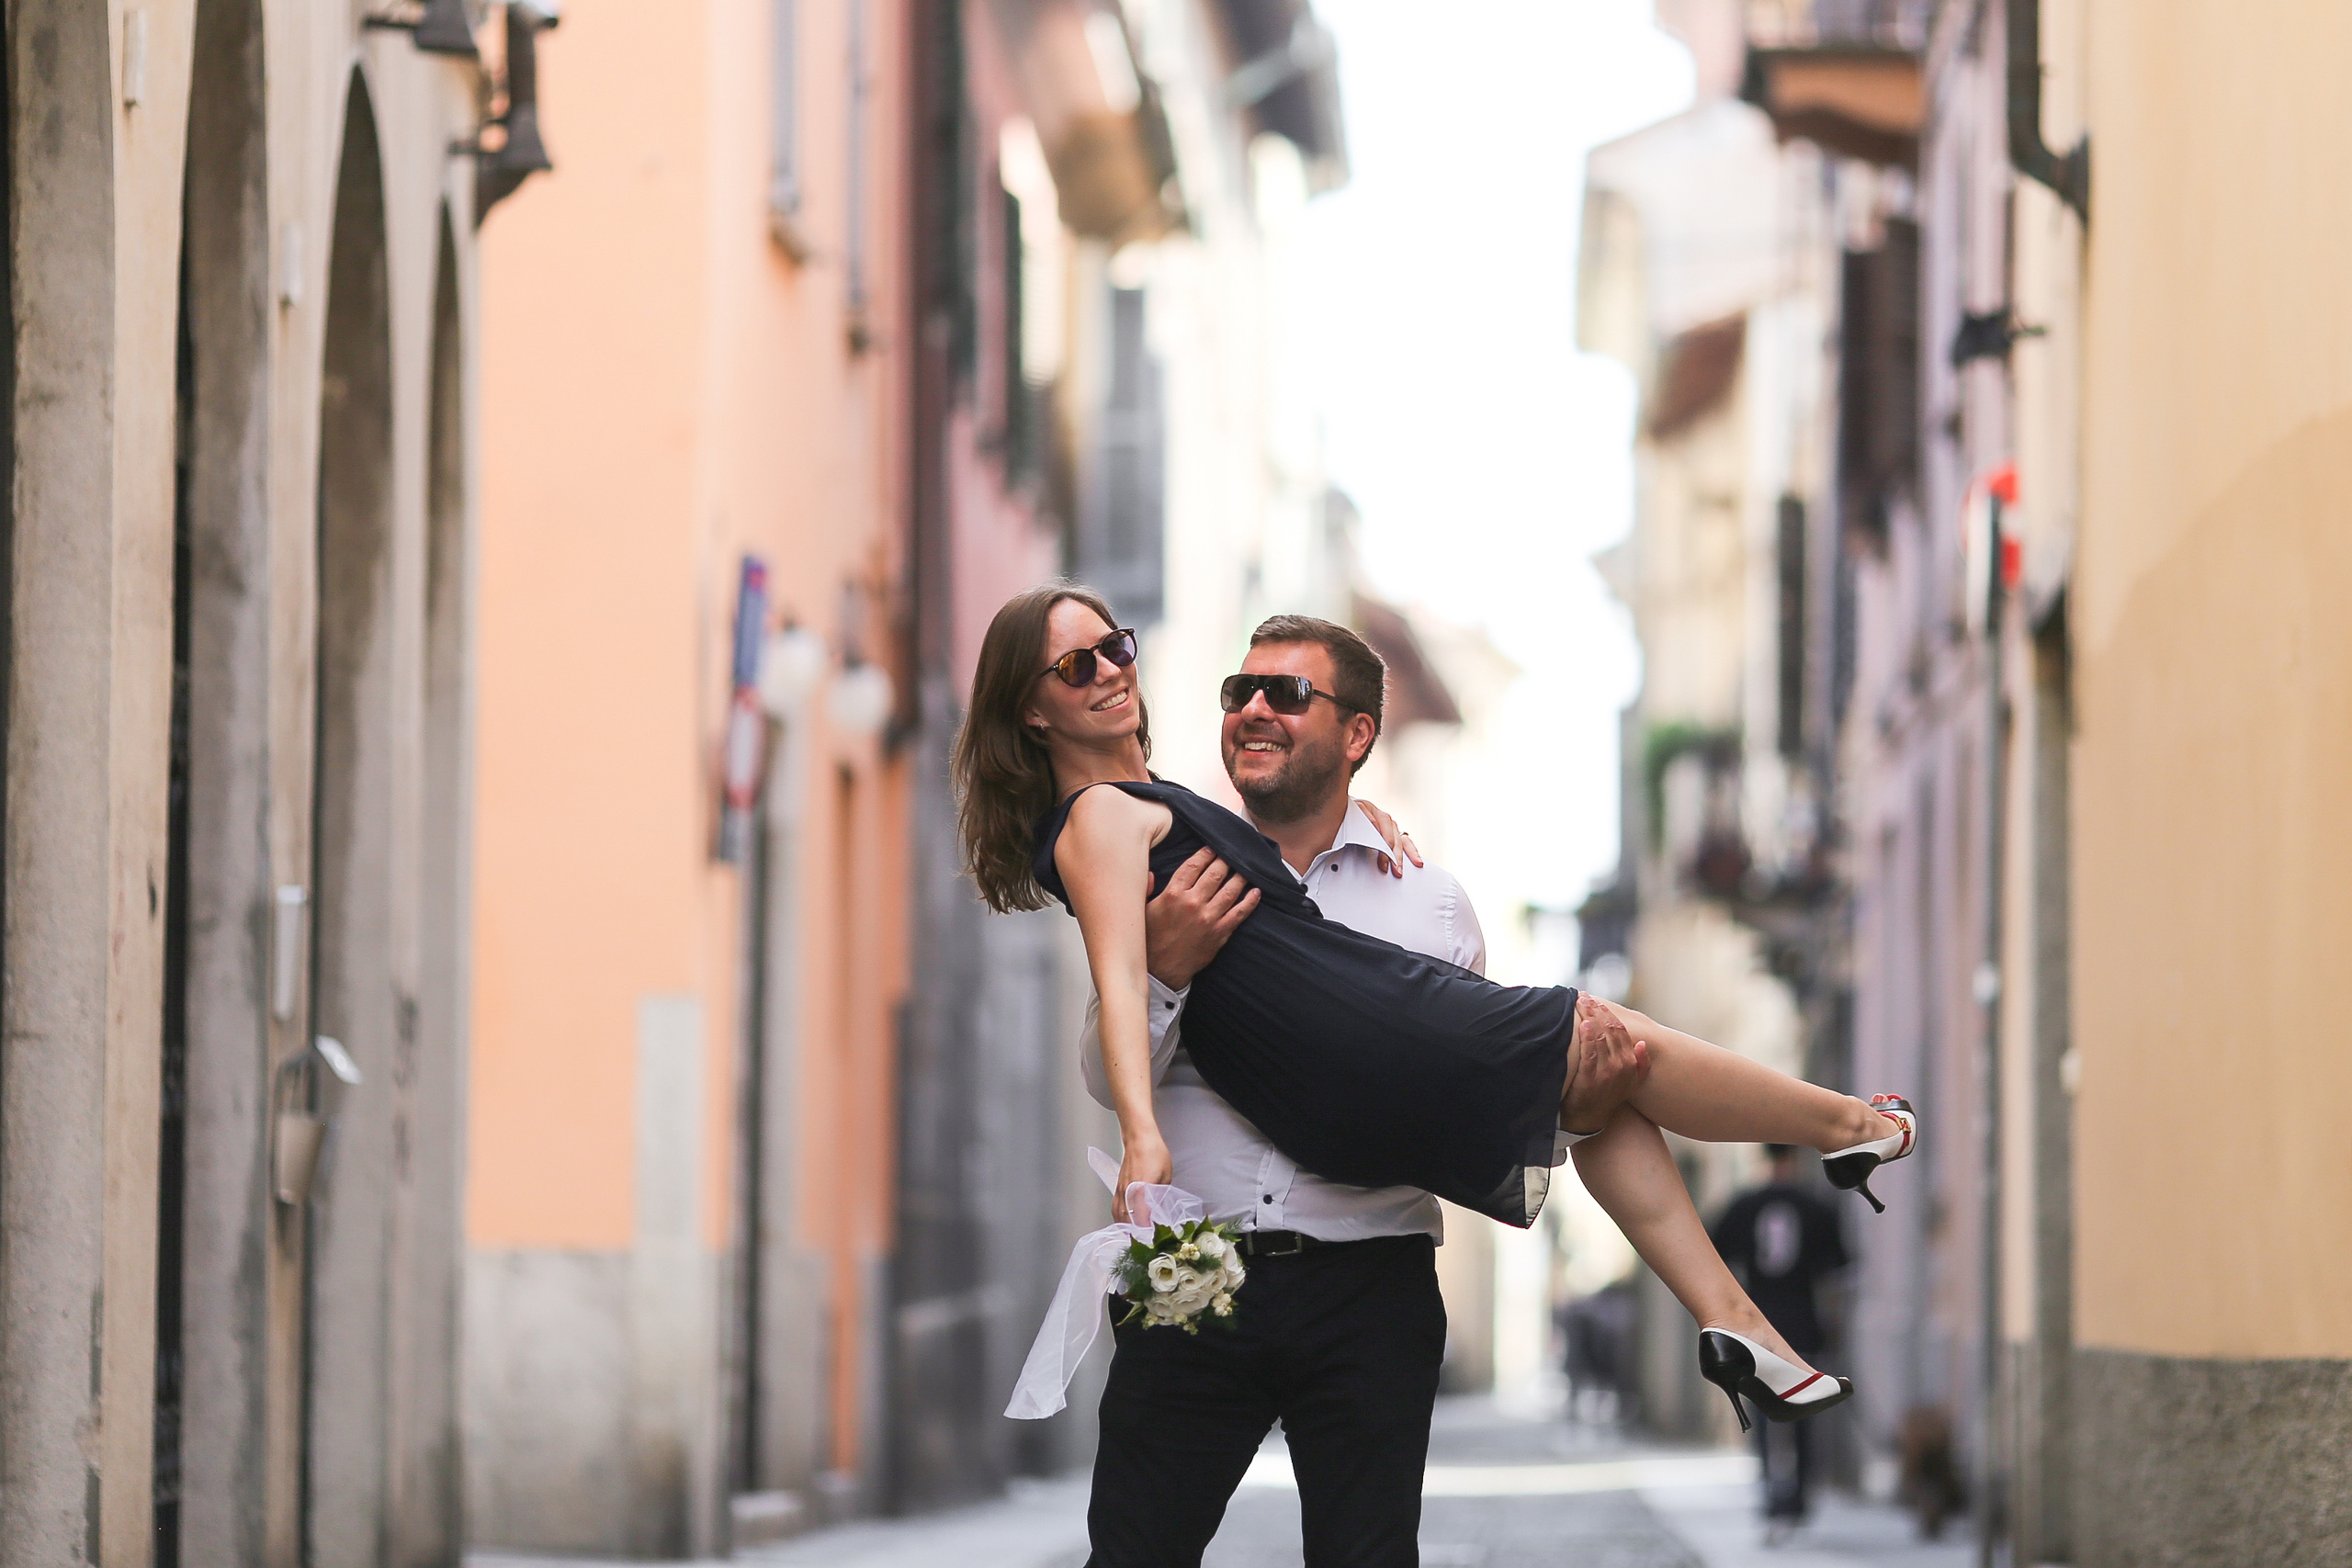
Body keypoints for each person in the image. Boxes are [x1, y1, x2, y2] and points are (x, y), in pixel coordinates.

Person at [952, 588, 1918, 1476]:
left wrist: (1349, 806)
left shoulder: (1166, 802)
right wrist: (1142, 1136)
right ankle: (1849, 1131)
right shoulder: (1096, 820)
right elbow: (1120, 986)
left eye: (1113, 647)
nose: (1113, 668)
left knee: (1598, 1080)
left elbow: (1248, 853)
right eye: (1075, 665)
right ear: (1031, 710)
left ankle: (1733, 1320)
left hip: (1347, 1050)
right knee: (1616, 1040)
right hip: (1349, 1041)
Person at [1064, 613, 1656, 1567]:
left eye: (1286, 695)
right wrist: (1164, 967)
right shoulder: (1172, 864)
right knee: (1133, 1552)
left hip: (1367, 1273)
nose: (1253, 710)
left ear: (1356, 737)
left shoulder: (1426, 899)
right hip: (1188, 1261)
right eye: (1237, 694)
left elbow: (1448, 1088)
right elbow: (1103, 1073)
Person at [1712, 1145, 1852, 1542]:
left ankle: (1770, 1492)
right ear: (1795, 1159)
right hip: (1804, 1328)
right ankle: (1799, 1496)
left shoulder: (1743, 1206)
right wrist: (1833, 1325)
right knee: (1803, 1413)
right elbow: (1838, 1273)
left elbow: (1716, 1261)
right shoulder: (1816, 1207)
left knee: (1763, 1415)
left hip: (1757, 1332)